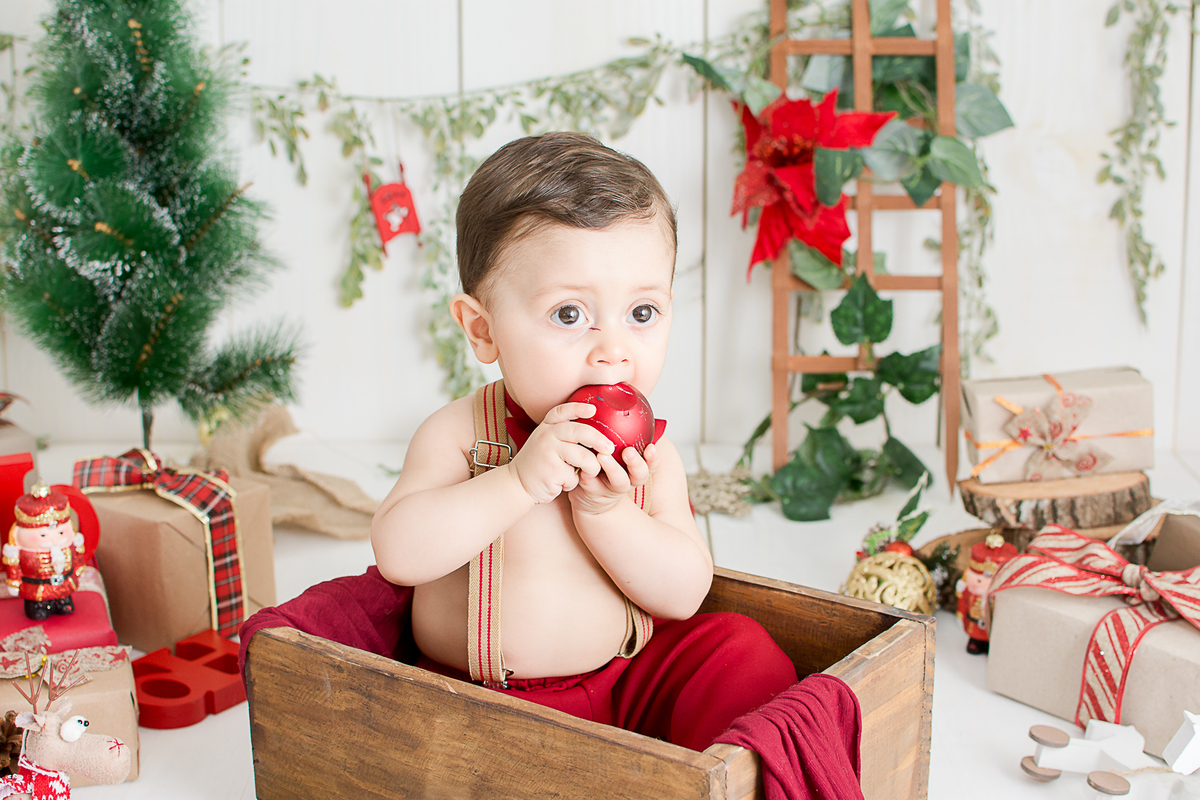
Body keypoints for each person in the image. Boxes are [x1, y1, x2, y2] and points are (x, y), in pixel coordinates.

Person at [370, 131, 797, 752]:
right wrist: (516, 483)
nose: (613, 349)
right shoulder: (461, 435)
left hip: (621, 689)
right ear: (483, 330)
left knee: (741, 652)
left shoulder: (651, 456)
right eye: (569, 315)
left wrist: (607, 513)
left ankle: (713, 782)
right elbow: (398, 554)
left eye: (643, 313)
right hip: (473, 708)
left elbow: (683, 595)